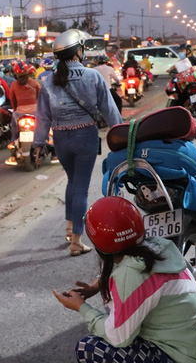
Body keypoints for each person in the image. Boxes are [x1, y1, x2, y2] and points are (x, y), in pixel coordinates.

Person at [54, 196, 196, 363]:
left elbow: (118, 337)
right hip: (193, 347)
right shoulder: (156, 246)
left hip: (182, 356)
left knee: (89, 348)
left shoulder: (132, 273)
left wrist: (81, 307)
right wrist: (97, 285)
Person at [33, 29, 122, 256]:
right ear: (79, 51)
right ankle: (76, 242)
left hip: (61, 139)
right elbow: (109, 110)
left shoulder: (47, 81)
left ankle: (70, 226)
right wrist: (121, 133)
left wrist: (38, 143)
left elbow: (42, 117)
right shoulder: (92, 77)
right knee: (81, 187)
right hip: (85, 136)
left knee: (72, 181)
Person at [5, 62, 42, 166]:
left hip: (19, 113)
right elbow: (40, 98)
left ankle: (13, 144)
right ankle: (51, 148)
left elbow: (12, 101)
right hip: (35, 112)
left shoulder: (13, 85)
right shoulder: (34, 83)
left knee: (14, 129)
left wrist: (16, 109)